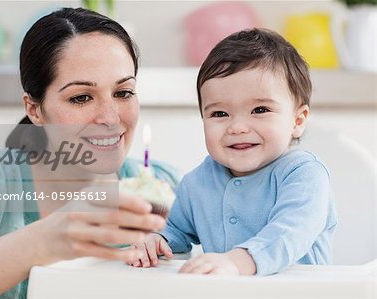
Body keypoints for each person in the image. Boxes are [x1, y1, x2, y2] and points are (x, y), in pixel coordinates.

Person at [0, 8, 179, 298]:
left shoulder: (166, 187)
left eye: (123, 93)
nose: (110, 118)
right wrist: (43, 241)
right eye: (81, 97)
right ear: (34, 109)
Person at [128, 28, 338, 276]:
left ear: (298, 120)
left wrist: (240, 261)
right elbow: (175, 229)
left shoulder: (304, 175)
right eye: (219, 114)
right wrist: (156, 240)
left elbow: (291, 231)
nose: (237, 127)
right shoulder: (197, 183)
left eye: (260, 110)